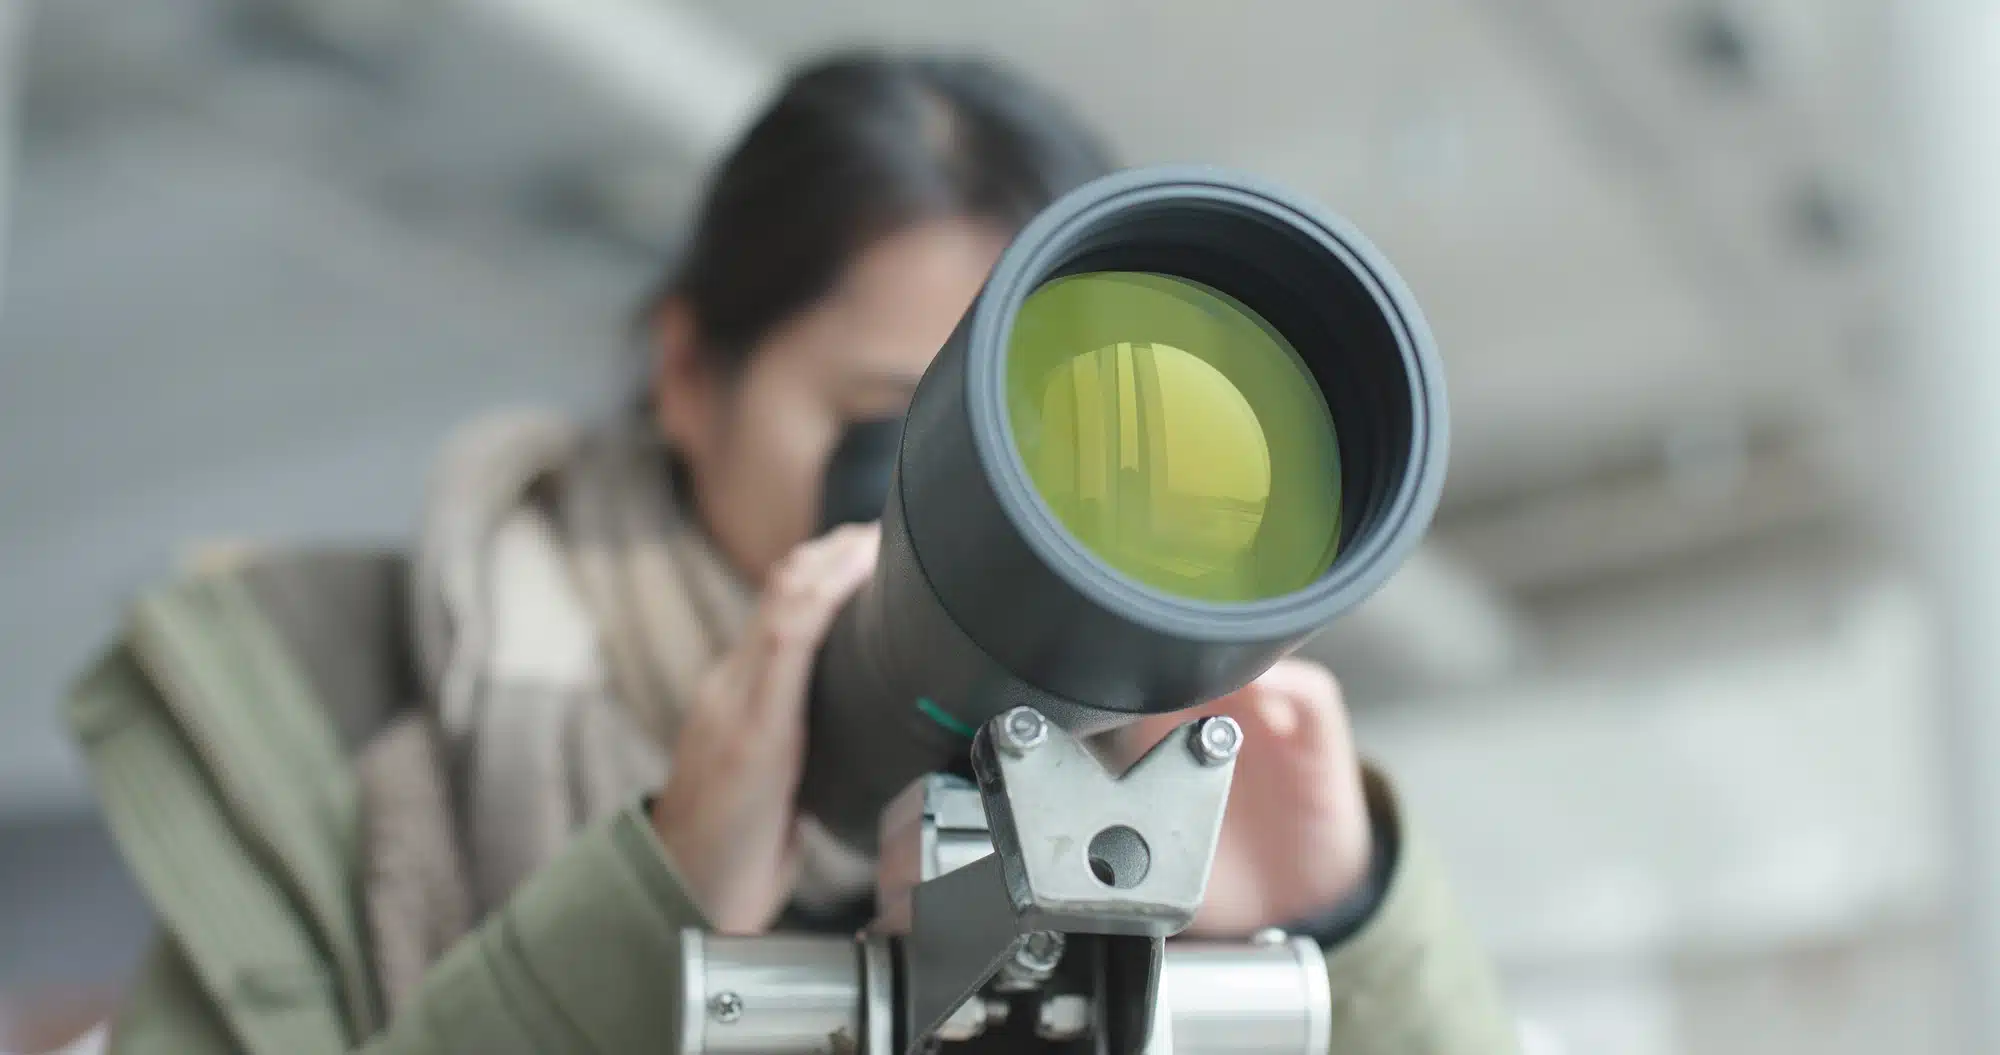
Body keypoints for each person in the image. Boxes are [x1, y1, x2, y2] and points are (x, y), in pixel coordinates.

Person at [65, 51, 1519, 1054]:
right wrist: (652, 899)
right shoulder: (313, 705)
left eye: (1059, 453)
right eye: (899, 430)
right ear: (689, 371)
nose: (964, 511)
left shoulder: (1149, 818)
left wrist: (1345, 933)